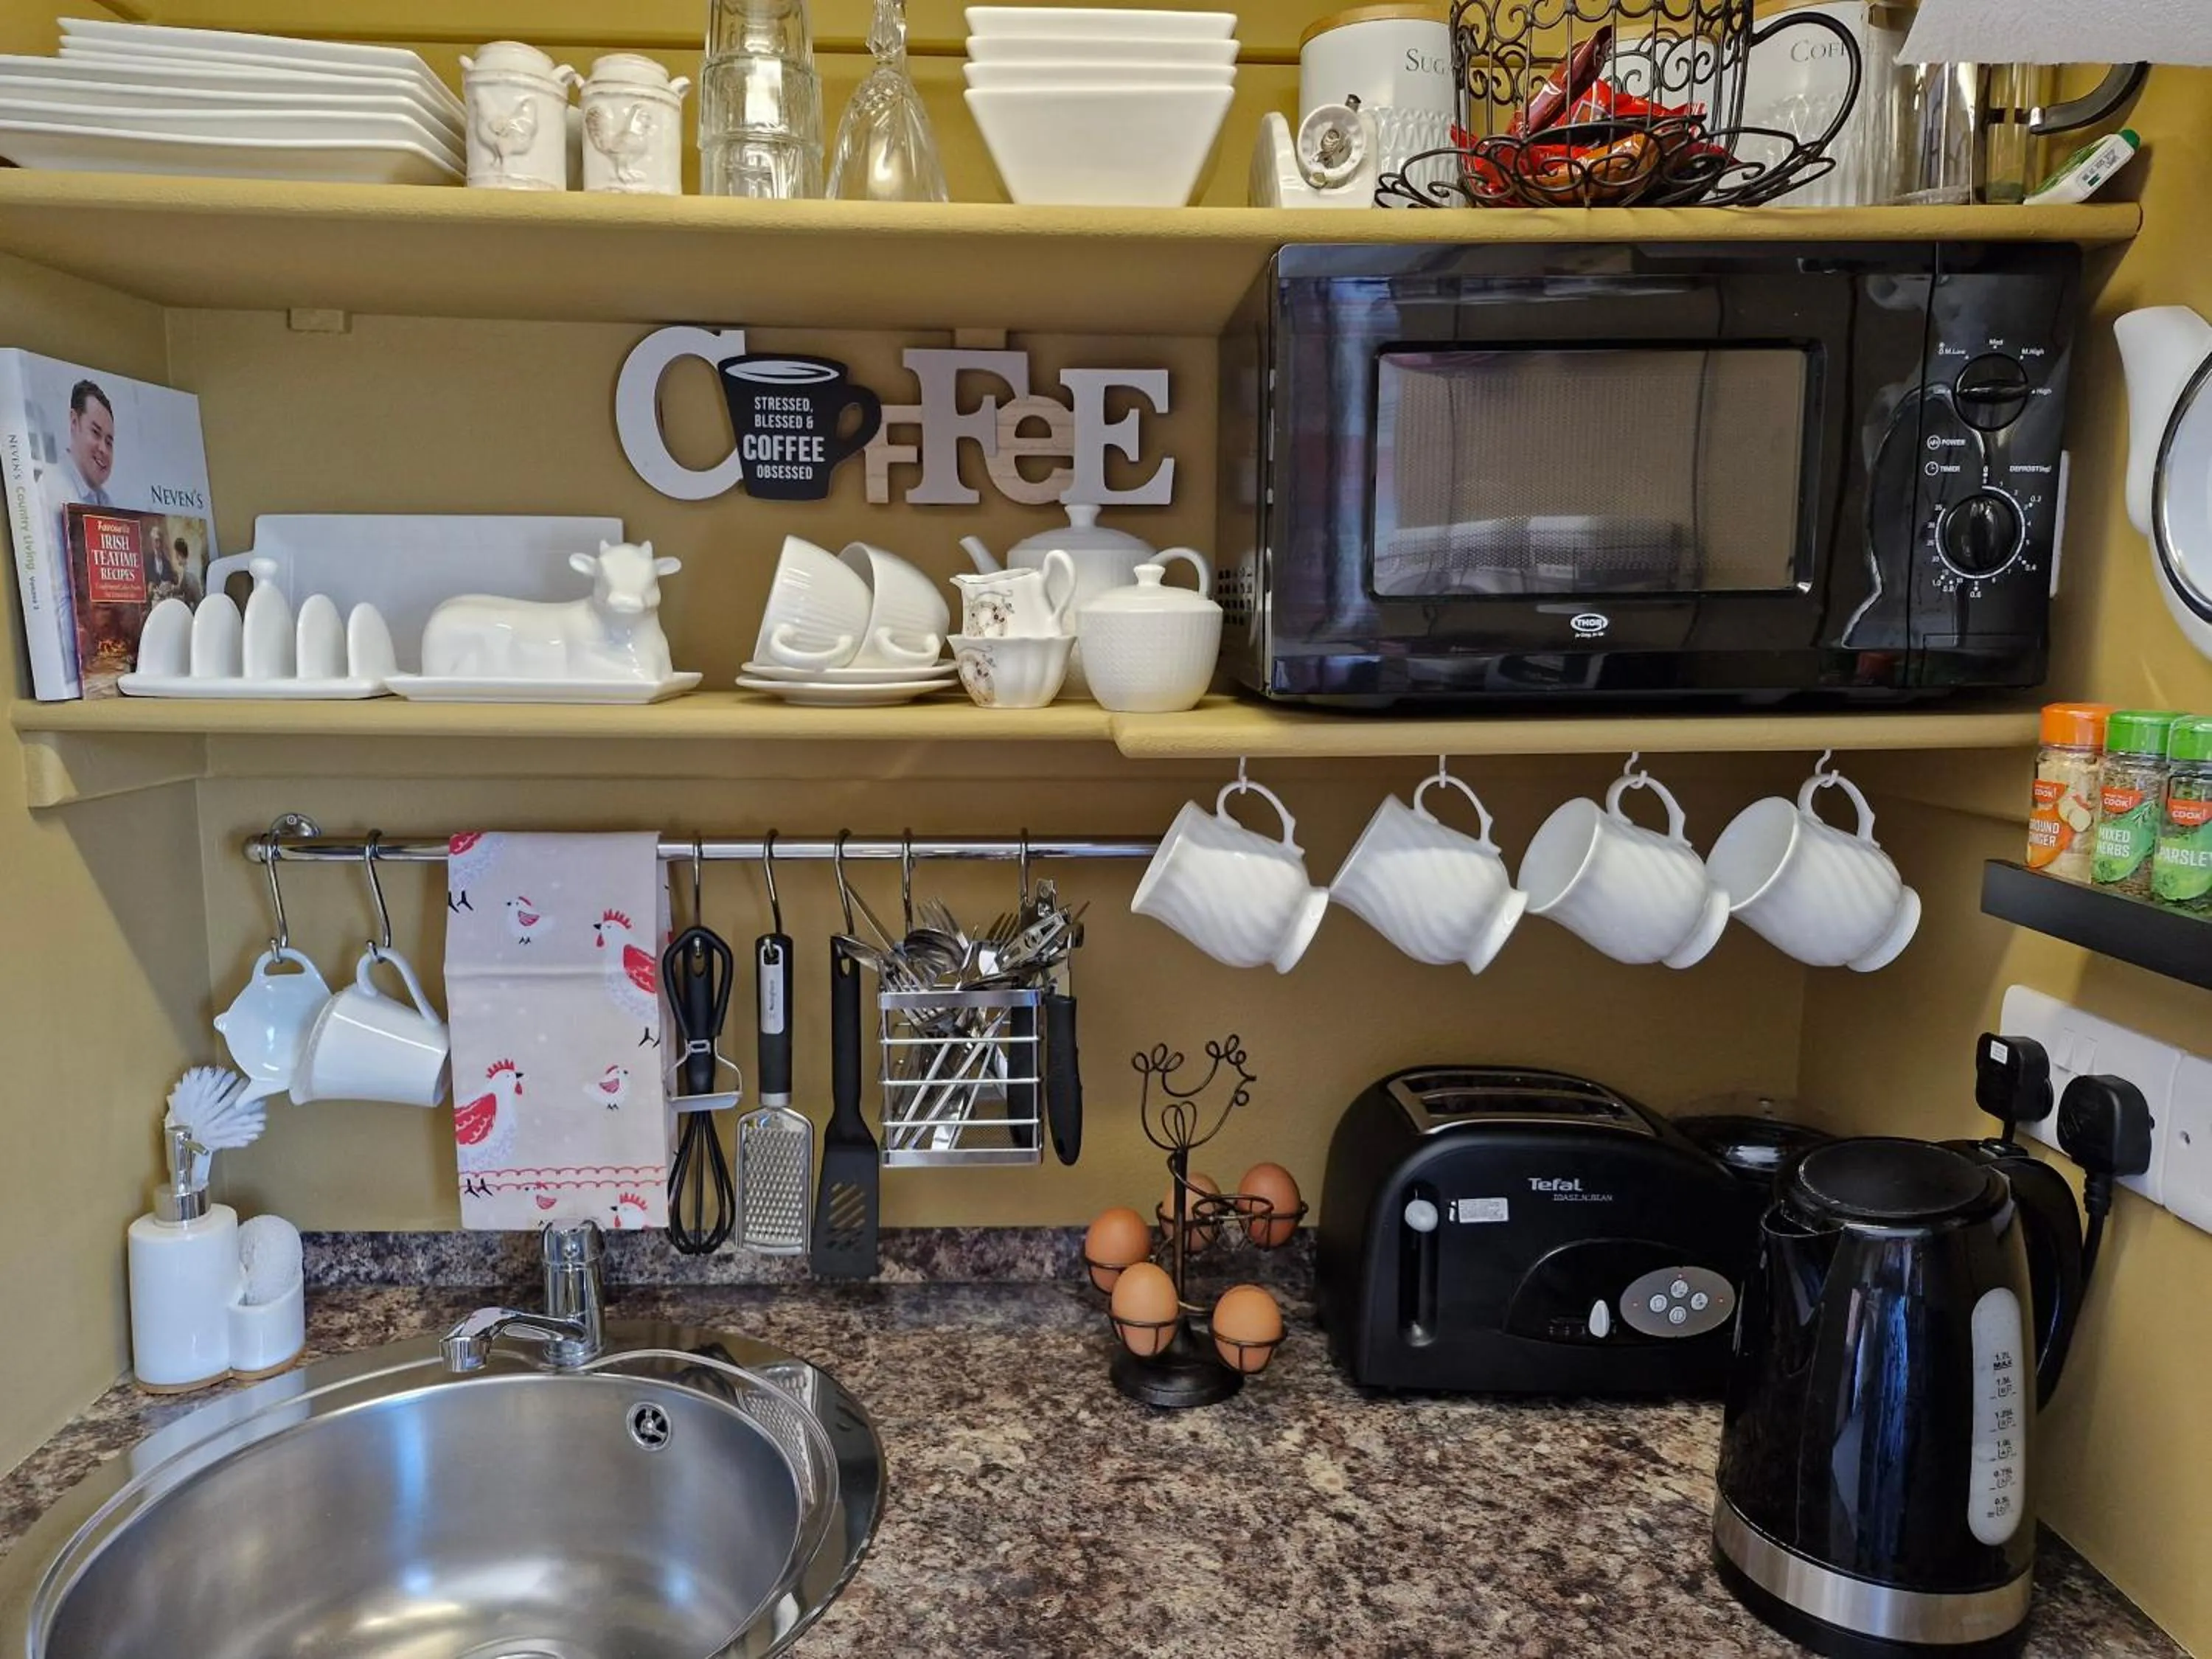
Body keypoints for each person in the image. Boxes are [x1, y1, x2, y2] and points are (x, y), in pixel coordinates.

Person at [37, 380, 117, 681]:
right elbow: (57, 602)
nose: (103, 449)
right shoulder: (53, 491)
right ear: (74, 422)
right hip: (73, 674)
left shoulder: (105, 501)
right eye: (96, 433)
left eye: (110, 441)